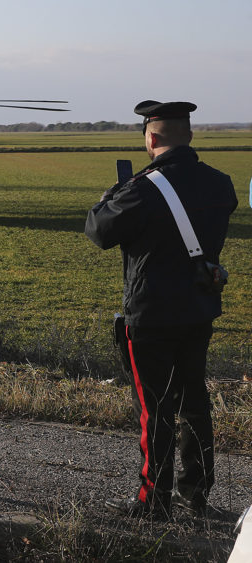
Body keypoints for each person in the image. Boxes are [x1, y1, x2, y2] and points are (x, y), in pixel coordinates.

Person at [85, 100, 237, 519]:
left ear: (151, 137)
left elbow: (98, 231)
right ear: (188, 134)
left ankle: (153, 501)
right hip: (199, 308)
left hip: (151, 315)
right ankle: (196, 495)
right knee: (194, 402)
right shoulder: (221, 184)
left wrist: (111, 196)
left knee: (155, 409)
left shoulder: (140, 188)